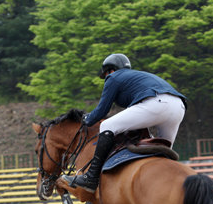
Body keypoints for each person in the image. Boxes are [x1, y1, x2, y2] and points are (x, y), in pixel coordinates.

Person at [67, 53, 187, 192]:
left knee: (106, 125)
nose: (106, 78)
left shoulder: (113, 77)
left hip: (156, 103)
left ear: (110, 70)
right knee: (164, 151)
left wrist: (87, 119)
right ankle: (167, 185)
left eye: (105, 74)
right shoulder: (139, 77)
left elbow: (101, 111)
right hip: (178, 107)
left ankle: (91, 178)